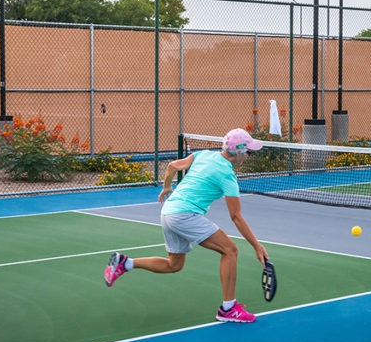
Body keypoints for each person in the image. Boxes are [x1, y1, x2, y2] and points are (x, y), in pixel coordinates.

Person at [103, 127, 270, 323]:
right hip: (183, 215)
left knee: (174, 265)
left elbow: (173, 166)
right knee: (230, 250)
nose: (249, 156)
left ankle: (126, 263)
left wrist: (167, 187)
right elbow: (236, 217)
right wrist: (256, 246)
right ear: (240, 151)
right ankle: (228, 309)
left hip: (167, 212)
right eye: (249, 152)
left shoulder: (203, 155)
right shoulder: (227, 176)